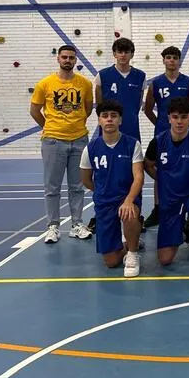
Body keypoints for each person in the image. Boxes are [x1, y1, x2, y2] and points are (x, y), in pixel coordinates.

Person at [144, 97, 189, 279]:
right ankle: (186, 232)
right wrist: (162, 179)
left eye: (184, 117)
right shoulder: (157, 142)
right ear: (169, 118)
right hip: (170, 198)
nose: (179, 121)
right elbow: (148, 165)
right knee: (165, 260)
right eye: (175, 117)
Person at [30, 45, 93, 244]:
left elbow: (87, 109)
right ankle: (53, 226)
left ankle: (77, 224)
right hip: (53, 141)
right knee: (52, 187)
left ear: (76, 60)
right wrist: (50, 127)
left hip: (79, 140)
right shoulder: (45, 84)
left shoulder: (85, 84)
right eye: (64, 57)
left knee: (77, 186)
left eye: (71, 57)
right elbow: (34, 110)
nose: (67, 60)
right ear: (58, 59)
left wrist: (74, 125)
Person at [80, 101, 144, 277]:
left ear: (120, 120)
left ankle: (133, 253)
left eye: (113, 116)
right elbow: (86, 179)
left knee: (130, 213)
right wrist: (102, 191)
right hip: (104, 203)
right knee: (111, 262)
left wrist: (129, 200)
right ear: (99, 120)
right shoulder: (90, 148)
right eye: (105, 116)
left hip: (126, 198)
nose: (109, 119)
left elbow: (139, 177)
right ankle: (130, 242)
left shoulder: (132, 144)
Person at [91, 37, 146, 233]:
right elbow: (100, 104)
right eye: (119, 51)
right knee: (105, 173)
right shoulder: (103, 75)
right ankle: (102, 213)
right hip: (108, 134)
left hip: (131, 131)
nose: (123, 55)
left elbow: (138, 104)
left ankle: (135, 214)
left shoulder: (140, 76)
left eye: (126, 51)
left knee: (134, 174)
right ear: (114, 54)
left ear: (132, 54)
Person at [142, 45, 189, 228]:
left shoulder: (188, 82)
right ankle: (158, 209)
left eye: (175, 57)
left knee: (186, 169)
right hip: (163, 133)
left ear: (179, 60)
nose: (172, 60)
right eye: (168, 57)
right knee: (161, 170)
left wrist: (185, 123)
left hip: (184, 134)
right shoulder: (156, 83)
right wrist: (160, 124)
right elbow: (147, 109)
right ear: (164, 60)